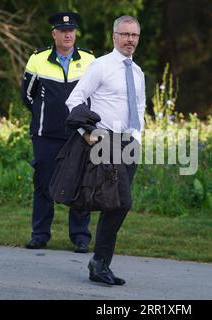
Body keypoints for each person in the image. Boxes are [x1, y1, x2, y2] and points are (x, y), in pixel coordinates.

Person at [66, 15, 145, 285]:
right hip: (106, 141)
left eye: (134, 35)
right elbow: (74, 100)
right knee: (122, 202)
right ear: (114, 37)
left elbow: (140, 106)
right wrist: (85, 132)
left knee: (115, 204)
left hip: (129, 144)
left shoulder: (137, 72)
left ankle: (99, 263)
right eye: (125, 35)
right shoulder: (100, 66)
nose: (129, 40)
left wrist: (137, 137)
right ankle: (99, 261)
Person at [21, 12, 95, 253]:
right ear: (54, 34)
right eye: (63, 31)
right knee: (43, 184)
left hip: (79, 134)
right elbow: (28, 96)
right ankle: (40, 235)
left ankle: (81, 237)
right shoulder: (37, 60)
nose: (68, 35)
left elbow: (94, 96)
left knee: (82, 183)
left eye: (71, 31)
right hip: (45, 135)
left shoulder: (90, 60)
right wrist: (47, 115)